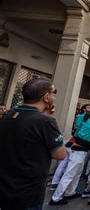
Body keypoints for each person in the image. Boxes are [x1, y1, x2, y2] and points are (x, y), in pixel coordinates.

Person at [0, 78, 66, 210]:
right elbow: (60, 154)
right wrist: (49, 118)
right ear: (46, 97)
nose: (54, 97)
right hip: (28, 194)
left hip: (4, 188)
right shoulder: (46, 122)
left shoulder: (8, 115)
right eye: (53, 93)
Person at [51, 108, 90, 205]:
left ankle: (70, 192)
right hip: (79, 150)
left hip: (81, 149)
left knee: (76, 173)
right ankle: (56, 198)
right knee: (69, 174)